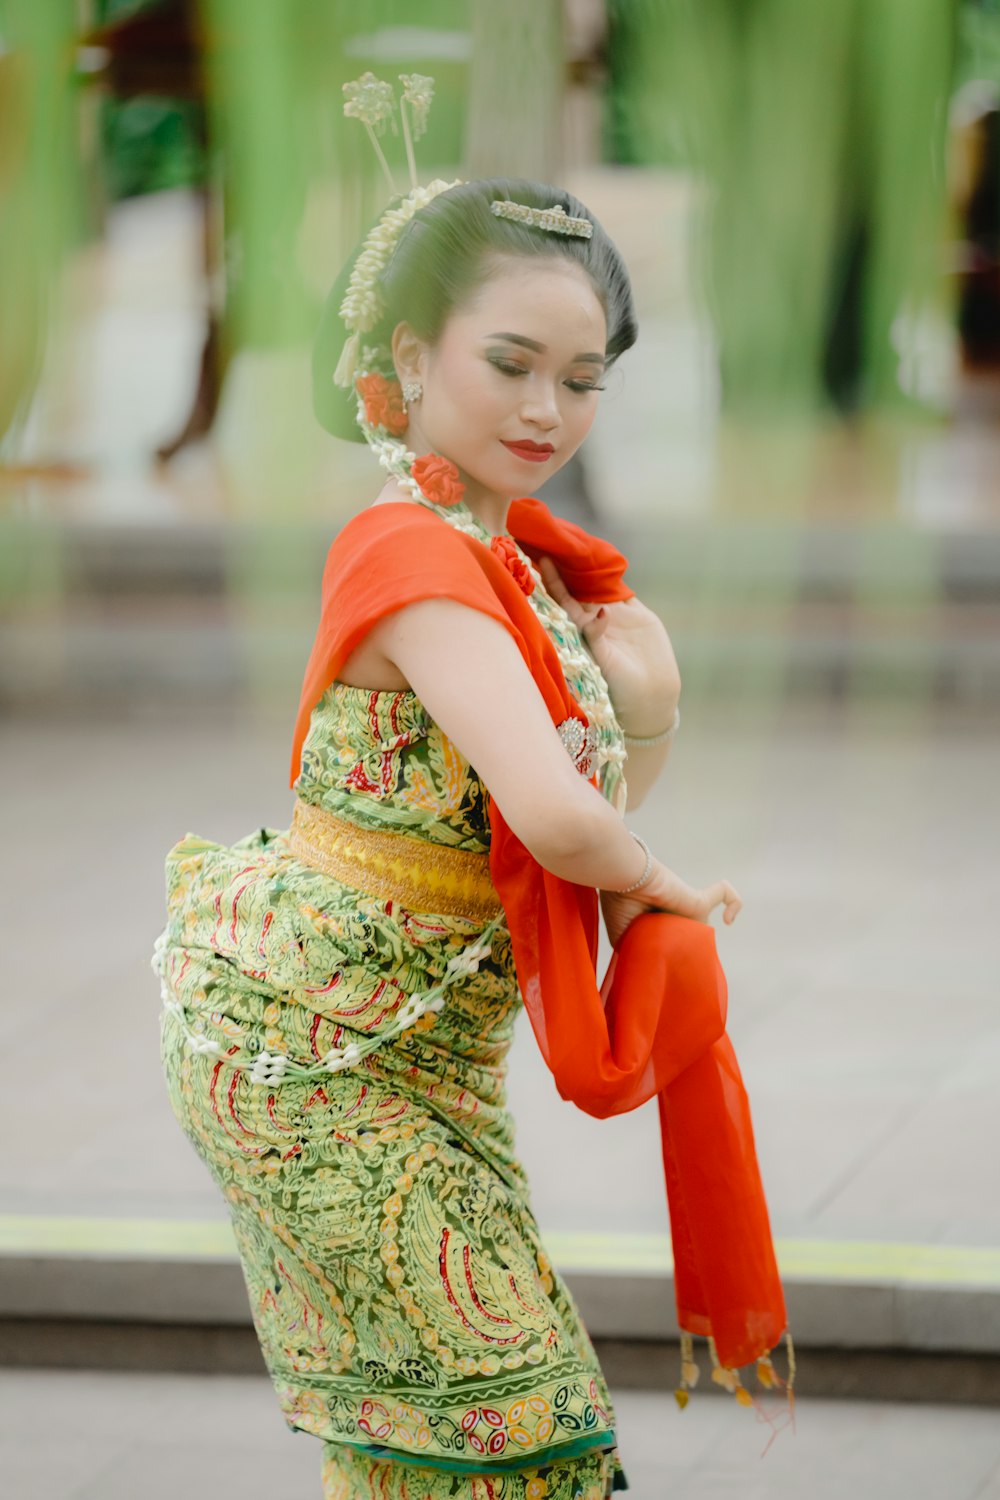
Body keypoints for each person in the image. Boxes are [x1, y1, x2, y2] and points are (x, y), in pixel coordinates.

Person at [154, 169, 788, 1500]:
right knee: (515, 1434)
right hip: (314, 1053)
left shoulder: (522, 564)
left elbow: (549, 820)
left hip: (424, 1053)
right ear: (408, 354)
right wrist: (661, 882)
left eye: (584, 376)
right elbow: (564, 827)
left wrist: (652, 711)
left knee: (457, 1445)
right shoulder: (413, 554)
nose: (547, 410)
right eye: (511, 364)